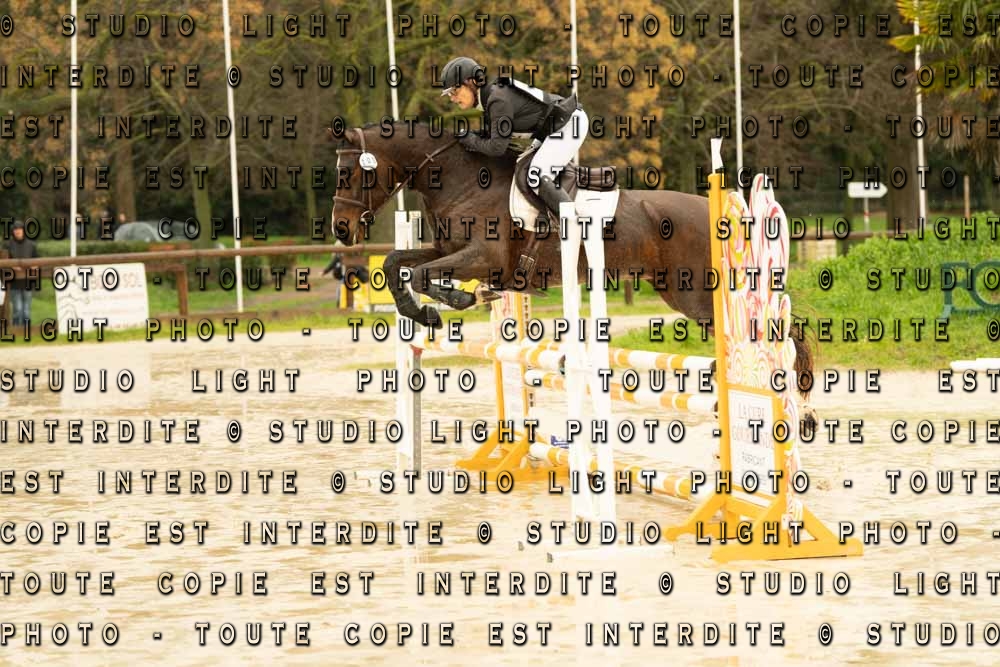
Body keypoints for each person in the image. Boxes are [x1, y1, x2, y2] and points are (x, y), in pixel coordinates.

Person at [439, 56, 588, 281]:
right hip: (551, 130)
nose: (452, 97)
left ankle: (575, 227)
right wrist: (469, 138)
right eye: (449, 93)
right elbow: (493, 139)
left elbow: (496, 147)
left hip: (569, 126)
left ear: (471, 82)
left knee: (536, 174)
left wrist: (468, 139)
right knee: (523, 169)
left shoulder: (497, 99)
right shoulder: (490, 96)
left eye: (455, 90)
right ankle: (547, 219)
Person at [5, 220, 39, 326]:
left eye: (19, 229)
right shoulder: (8, 245)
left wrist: (34, 266)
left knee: (26, 310)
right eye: (15, 229)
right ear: (13, 231)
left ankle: (26, 330)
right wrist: (12, 266)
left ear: (23, 230)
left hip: (28, 281)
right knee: (17, 309)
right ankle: (16, 330)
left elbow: (37, 260)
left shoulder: (31, 244)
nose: (17, 231)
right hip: (14, 281)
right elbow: (4, 261)